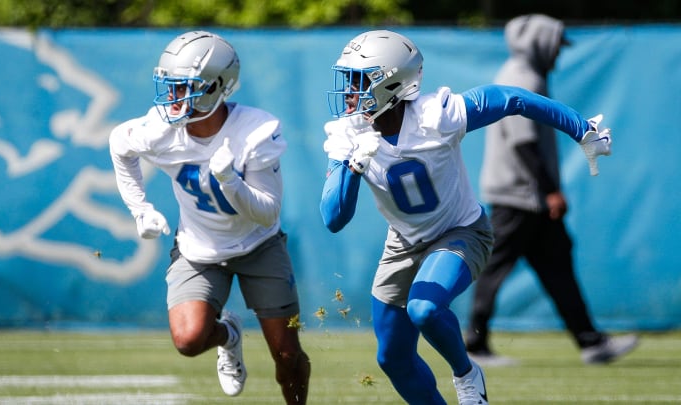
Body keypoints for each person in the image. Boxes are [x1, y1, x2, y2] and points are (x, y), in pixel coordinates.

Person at [319, 29, 612, 405]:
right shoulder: (347, 134)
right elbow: (333, 218)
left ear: (391, 83)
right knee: (392, 358)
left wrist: (581, 128)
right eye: (348, 80)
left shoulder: (436, 115)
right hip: (402, 243)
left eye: (359, 81)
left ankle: (466, 372)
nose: (349, 92)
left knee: (424, 309)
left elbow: (511, 98)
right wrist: (353, 164)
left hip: (459, 231)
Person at [109, 31, 310, 404]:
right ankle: (229, 336)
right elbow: (120, 146)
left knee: (287, 355)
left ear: (216, 87)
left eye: (182, 87)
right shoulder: (158, 129)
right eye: (169, 86)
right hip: (199, 249)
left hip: (258, 244)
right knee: (189, 340)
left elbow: (267, 211)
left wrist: (231, 181)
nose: (171, 97)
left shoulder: (255, 131)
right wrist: (140, 208)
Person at [464, 14, 639, 366]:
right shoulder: (522, 77)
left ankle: (591, 342)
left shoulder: (526, 73)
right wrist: (549, 192)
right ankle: (474, 345)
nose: (559, 53)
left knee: (556, 263)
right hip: (519, 194)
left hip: (526, 194)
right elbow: (522, 141)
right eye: (557, 45)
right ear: (541, 43)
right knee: (495, 266)